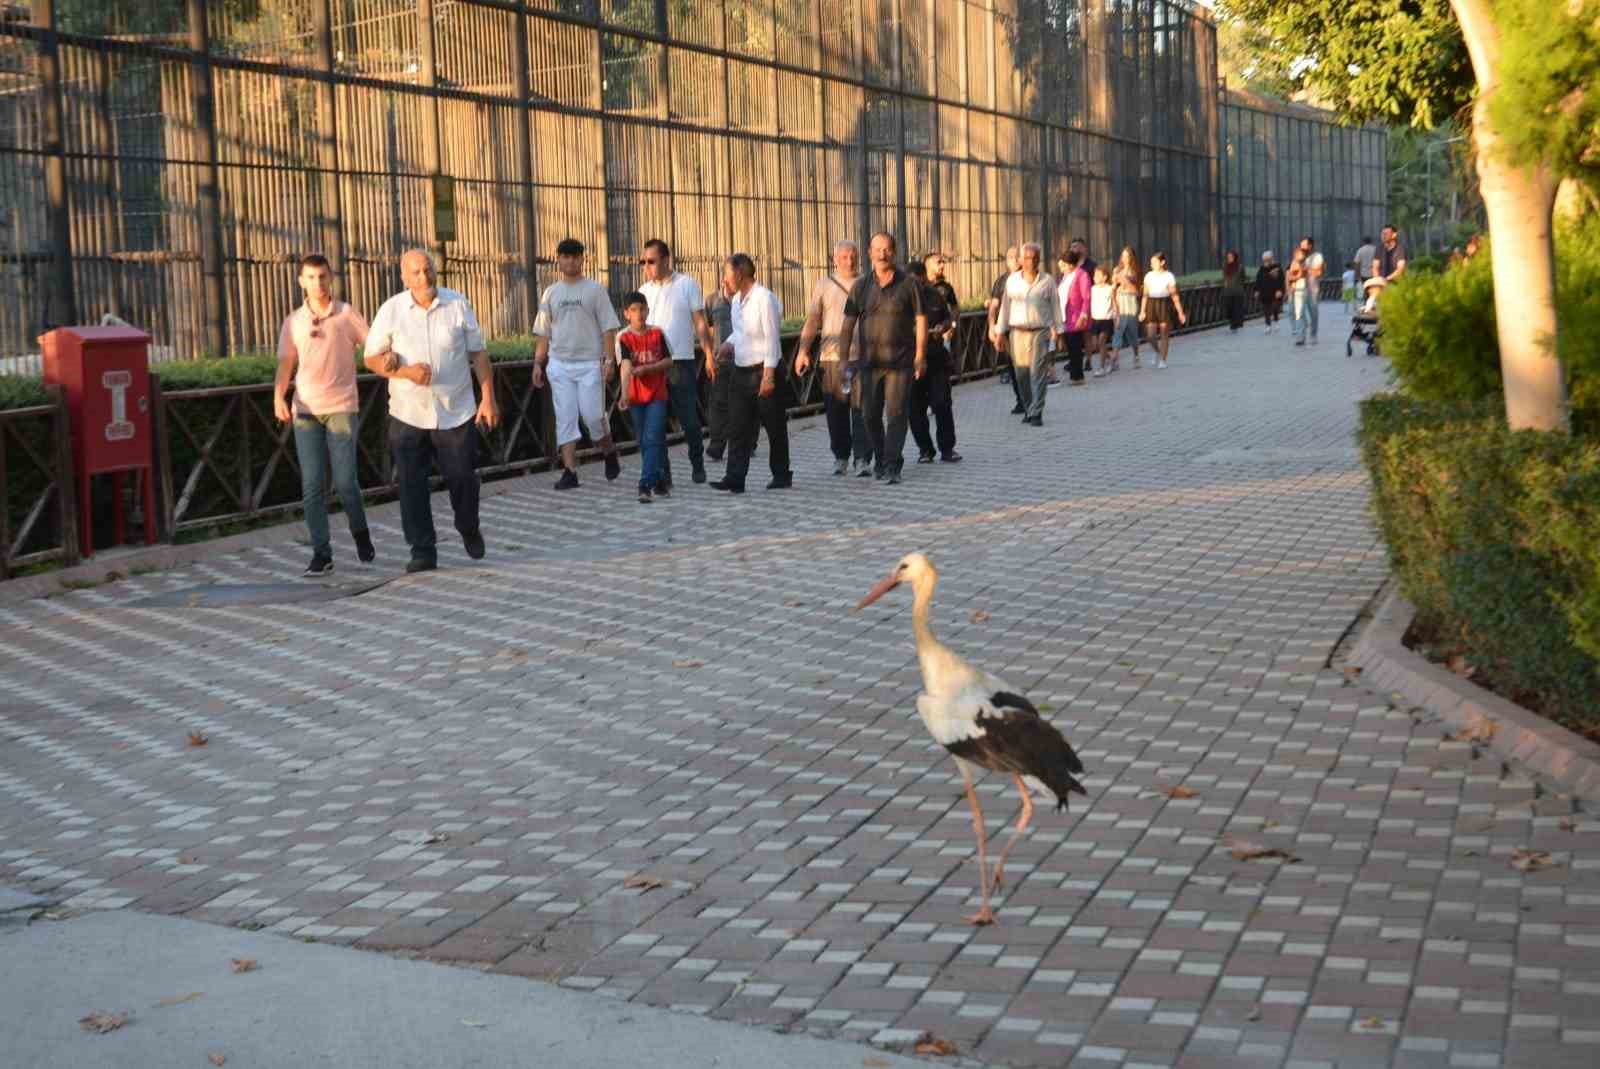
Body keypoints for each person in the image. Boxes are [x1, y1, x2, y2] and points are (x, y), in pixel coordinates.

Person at [363, 249, 499, 574]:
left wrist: (488, 398)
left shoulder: (457, 304)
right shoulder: (391, 310)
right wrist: (405, 373)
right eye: (416, 273)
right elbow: (371, 358)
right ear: (404, 277)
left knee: (463, 477)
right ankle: (422, 549)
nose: (424, 278)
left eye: (428, 270)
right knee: (411, 484)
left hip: (456, 410)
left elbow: (478, 355)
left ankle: (468, 526)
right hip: (408, 413)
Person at [273, 253, 373, 577]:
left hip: (342, 407)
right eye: (311, 278)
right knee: (312, 485)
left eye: (323, 277)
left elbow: (372, 348)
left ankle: (360, 532)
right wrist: (279, 396)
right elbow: (286, 363)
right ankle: (321, 553)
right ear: (301, 281)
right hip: (306, 410)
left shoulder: (346, 314)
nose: (318, 283)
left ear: (331, 279)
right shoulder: (294, 321)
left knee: (345, 482)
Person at [531, 237, 622, 491]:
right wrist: (538, 363)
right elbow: (543, 333)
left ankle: (609, 451)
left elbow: (608, 329)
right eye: (565, 256)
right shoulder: (551, 293)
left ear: (583, 259)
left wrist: (609, 360)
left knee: (593, 417)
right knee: (565, 418)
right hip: (559, 364)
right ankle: (569, 471)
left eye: (575, 256)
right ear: (558, 260)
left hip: (589, 364)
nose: (570, 261)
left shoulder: (595, 290)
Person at [837, 231, 926, 483]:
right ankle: (881, 456)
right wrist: (844, 359)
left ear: (894, 252)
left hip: (901, 362)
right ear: (869, 253)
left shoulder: (909, 284)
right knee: (869, 414)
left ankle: (892, 465)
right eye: (877, 249)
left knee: (897, 413)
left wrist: (920, 355)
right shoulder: (861, 286)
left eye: (886, 249)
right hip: (868, 363)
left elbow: (921, 320)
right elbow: (847, 325)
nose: (882, 254)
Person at [639, 239, 716, 488]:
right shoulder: (645, 291)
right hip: (652, 366)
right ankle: (664, 473)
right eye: (644, 262)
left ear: (665, 259)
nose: (647, 266)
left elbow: (700, 323)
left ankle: (697, 462)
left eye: (651, 261)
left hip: (680, 362)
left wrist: (709, 353)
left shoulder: (686, 285)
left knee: (689, 420)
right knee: (656, 423)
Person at [711, 253, 790, 494]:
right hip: (740, 370)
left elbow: (771, 338)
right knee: (738, 426)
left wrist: (768, 376)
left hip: (764, 369)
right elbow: (741, 332)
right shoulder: (736, 301)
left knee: (774, 425)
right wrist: (728, 344)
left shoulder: (764, 299)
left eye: (726, 274)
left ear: (740, 273)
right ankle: (735, 478)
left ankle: (781, 473)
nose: (724, 280)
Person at [794, 240, 870, 476]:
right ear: (835, 259)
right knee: (836, 409)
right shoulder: (824, 285)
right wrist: (803, 351)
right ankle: (840, 456)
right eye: (845, 257)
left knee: (862, 409)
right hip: (832, 356)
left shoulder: (868, 282)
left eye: (853, 256)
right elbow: (813, 320)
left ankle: (863, 459)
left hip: (863, 356)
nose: (850, 261)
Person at [994, 242, 1062, 426]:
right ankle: (1028, 407)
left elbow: (1055, 307)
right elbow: (1005, 308)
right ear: (1020, 260)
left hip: (1040, 331)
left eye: (1033, 258)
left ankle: (1037, 412)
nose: (1029, 262)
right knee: (1021, 373)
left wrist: (1059, 331)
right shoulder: (1012, 281)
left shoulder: (1047, 281)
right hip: (1017, 332)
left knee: (1037, 371)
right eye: (1025, 258)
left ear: (1038, 260)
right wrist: (999, 332)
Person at [614, 292, 672, 504]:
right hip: (636, 397)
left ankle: (644, 484)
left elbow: (668, 361)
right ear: (626, 314)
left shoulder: (658, 333)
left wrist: (649, 368)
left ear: (648, 310)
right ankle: (658, 479)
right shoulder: (623, 337)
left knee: (652, 437)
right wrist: (624, 393)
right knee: (645, 441)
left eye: (642, 309)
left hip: (657, 394)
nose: (639, 314)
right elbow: (626, 366)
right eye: (634, 310)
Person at [906, 254, 960, 463]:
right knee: (914, 409)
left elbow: (948, 317)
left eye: (919, 282)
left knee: (941, 403)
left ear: (924, 279)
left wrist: (943, 327)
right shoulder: (901, 300)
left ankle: (947, 448)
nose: (916, 286)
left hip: (936, 357)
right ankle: (925, 449)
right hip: (911, 361)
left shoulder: (936, 295)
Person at [702, 273, 736, 463]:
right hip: (720, 359)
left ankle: (749, 442)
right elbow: (707, 328)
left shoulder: (746, 300)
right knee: (718, 403)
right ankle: (716, 446)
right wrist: (709, 356)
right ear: (723, 279)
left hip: (744, 358)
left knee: (745, 402)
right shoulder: (712, 300)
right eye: (729, 277)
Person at [987, 245, 1025, 410]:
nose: (1015, 260)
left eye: (1018, 256)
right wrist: (991, 327)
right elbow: (994, 305)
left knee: (1027, 366)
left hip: (1025, 328)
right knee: (1013, 365)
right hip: (1007, 329)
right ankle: (1021, 400)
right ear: (1006, 261)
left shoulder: (1029, 277)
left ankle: (1031, 400)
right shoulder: (1001, 281)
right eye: (1011, 257)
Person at [1138, 251, 1185, 369]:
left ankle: (1163, 359)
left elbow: (1174, 295)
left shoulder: (1169, 276)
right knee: (1150, 335)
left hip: (1164, 303)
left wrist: (1180, 312)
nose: (1152, 264)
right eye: (1151, 262)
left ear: (1162, 262)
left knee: (1164, 333)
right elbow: (1145, 294)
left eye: (1154, 262)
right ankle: (1157, 351)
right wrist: (1142, 310)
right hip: (1151, 304)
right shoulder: (1148, 276)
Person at [1057, 248, 1091, 386]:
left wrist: (1083, 315)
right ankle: (1074, 374)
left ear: (1071, 264)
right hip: (1065, 315)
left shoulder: (1081, 275)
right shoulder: (1065, 276)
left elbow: (1086, 296)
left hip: (1076, 316)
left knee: (1075, 346)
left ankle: (1078, 376)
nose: (1061, 268)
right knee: (1070, 346)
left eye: (1063, 265)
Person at [1110, 246, 1144, 369]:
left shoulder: (1135, 272)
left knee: (1132, 333)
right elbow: (1113, 289)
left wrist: (1125, 280)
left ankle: (1136, 355)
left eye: (1128, 256)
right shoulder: (1116, 270)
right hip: (1119, 302)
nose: (1125, 259)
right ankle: (1114, 359)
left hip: (1131, 303)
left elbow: (1136, 291)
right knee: (1118, 331)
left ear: (1132, 258)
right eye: (1123, 256)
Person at [1292, 236, 1325, 346]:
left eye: (1304, 245)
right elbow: (1293, 273)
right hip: (1299, 288)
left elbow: (1318, 272)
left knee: (1313, 313)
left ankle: (1313, 335)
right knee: (1299, 313)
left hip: (1312, 289)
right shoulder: (1297, 257)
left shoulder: (1317, 257)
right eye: (1301, 245)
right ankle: (1300, 337)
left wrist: (1304, 267)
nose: (1302, 247)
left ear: (1310, 246)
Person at [1088, 265, 1116, 375]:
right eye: (1094, 275)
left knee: (1101, 341)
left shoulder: (1109, 289)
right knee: (1096, 345)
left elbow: (1114, 303)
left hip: (1106, 319)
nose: (1094, 277)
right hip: (1095, 319)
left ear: (1104, 277)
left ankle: (1101, 367)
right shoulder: (1092, 289)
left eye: (1097, 275)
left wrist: (1116, 317)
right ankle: (1110, 358)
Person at [1254, 251, 1285, 333]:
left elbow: (1281, 280)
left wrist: (1280, 290)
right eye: (1264, 260)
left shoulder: (1277, 268)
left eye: (1267, 259)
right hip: (1264, 292)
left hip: (1275, 292)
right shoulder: (1261, 269)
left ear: (1271, 259)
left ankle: (1276, 321)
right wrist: (1257, 290)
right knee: (1266, 310)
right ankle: (1268, 325)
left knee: (1275, 307)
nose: (1266, 261)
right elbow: (1258, 280)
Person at [1220, 250, 1246, 332]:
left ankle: (1234, 325)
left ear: (1235, 258)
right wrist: (1225, 285)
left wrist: (1239, 284)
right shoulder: (1225, 267)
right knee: (1229, 309)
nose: (1229, 258)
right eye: (1228, 257)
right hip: (1228, 292)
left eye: (1231, 257)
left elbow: (1243, 278)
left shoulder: (1240, 267)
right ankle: (1233, 323)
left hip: (1238, 292)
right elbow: (1224, 278)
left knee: (1236, 309)